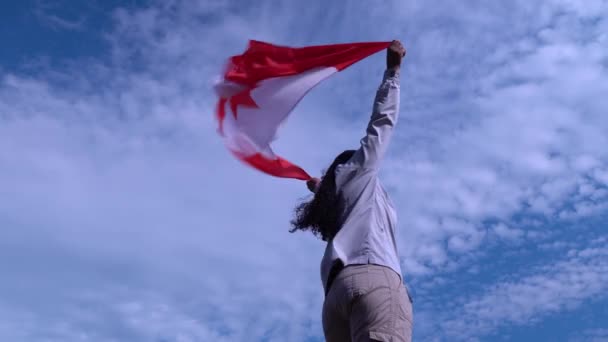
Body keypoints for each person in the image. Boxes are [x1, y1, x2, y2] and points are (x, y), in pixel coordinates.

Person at [290, 40, 412, 342]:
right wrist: (392, 72)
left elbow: (331, 189)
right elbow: (381, 124)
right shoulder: (361, 171)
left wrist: (320, 188)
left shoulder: (335, 202)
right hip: (373, 278)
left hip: (335, 296)